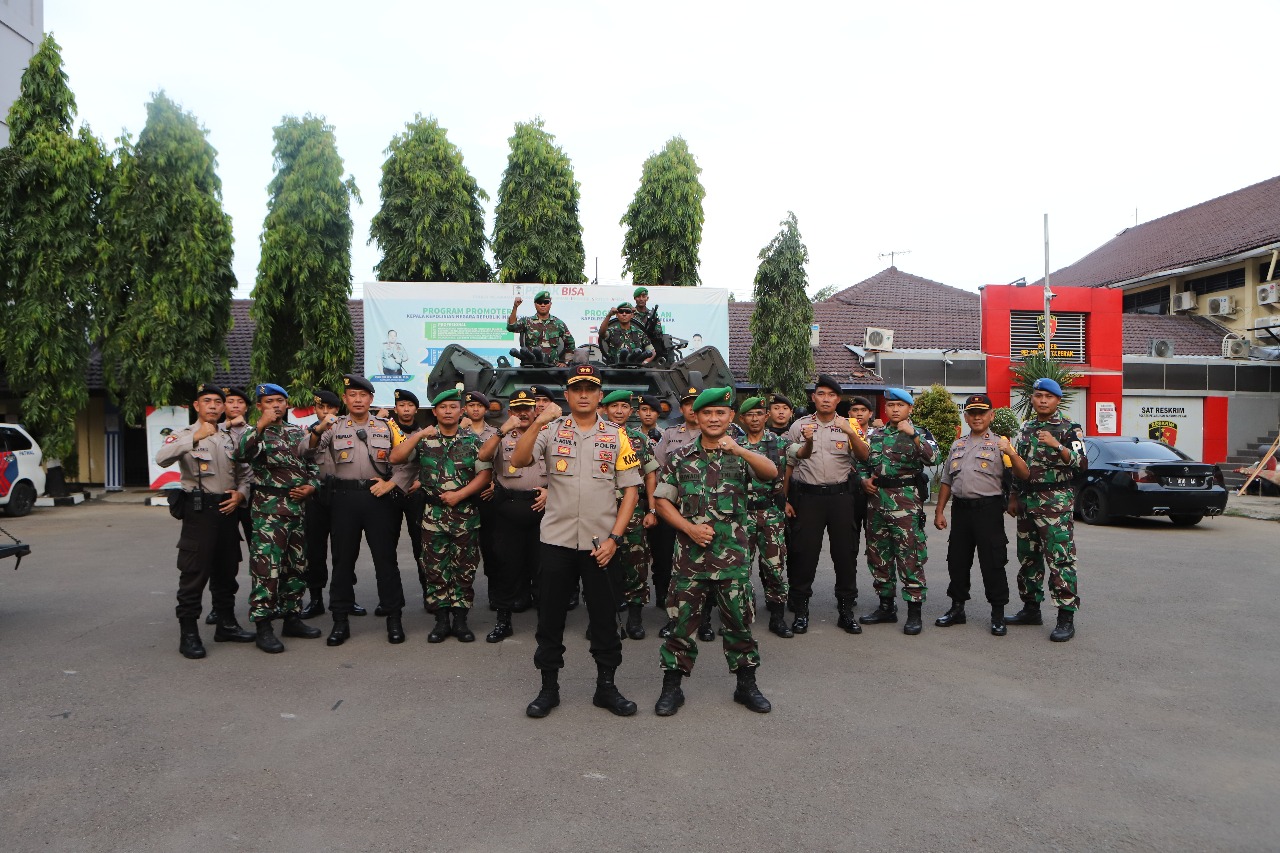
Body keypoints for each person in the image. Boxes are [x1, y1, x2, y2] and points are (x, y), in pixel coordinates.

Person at [509, 363, 641, 719]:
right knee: (550, 618)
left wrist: (615, 537)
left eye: (590, 389)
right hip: (556, 541)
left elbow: (630, 490)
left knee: (604, 618)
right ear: (567, 396)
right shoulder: (551, 431)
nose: (583, 395)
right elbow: (519, 460)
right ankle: (548, 689)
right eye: (577, 389)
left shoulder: (617, 435)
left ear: (599, 396)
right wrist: (537, 420)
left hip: (602, 545)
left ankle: (606, 688)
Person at [653, 387, 776, 717]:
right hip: (690, 561)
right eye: (706, 412)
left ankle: (746, 685)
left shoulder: (742, 453)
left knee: (739, 623)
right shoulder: (680, 458)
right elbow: (662, 501)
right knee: (681, 627)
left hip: (733, 558)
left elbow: (771, 473)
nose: (713, 418)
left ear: (730, 417)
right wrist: (689, 528)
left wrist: (740, 449)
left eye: (720, 413)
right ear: (697, 416)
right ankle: (672, 688)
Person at [304, 374, 415, 646]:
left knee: (385, 560)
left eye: (362, 395)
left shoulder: (387, 427)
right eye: (352, 395)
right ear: (344, 400)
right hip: (344, 499)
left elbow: (409, 461)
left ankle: (394, 618)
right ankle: (340, 620)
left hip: (378, 499)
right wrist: (318, 429)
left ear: (371, 399)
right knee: (342, 561)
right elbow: (305, 451)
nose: (357, 399)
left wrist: (392, 485)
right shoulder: (332, 426)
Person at [155, 384, 254, 658]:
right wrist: (196, 438)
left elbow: (245, 473)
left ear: (223, 408)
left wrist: (241, 494)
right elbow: (161, 459)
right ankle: (189, 633)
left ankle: (226, 624)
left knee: (227, 570)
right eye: (206, 401)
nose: (212, 406)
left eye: (217, 402)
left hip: (227, 509)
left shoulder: (232, 437)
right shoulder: (183, 435)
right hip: (199, 512)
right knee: (194, 573)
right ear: (196, 406)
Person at [390, 389, 493, 644]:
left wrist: (460, 495)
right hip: (432, 516)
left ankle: (460, 620)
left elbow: (484, 474)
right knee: (435, 569)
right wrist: (418, 435)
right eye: (442, 407)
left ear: (462, 412)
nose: (448, 411)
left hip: (465, 514)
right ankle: (441, 620)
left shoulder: (473, 441)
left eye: (452, 407)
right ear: (434, 412)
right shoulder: (425, 440)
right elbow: (396, 457)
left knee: (464, 569)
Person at [232, 383, 322, 653]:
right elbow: (240, 455)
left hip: (297, 509)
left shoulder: (297, 433)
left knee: (296, 566)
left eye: (280, 401)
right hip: (269, 512)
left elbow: (312, 463)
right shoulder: (253, 433)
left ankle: (292, 616)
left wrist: (312, 486)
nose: (276, 405)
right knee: (267, 567)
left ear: (287, 404)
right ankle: (263, 625)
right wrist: (259, 426)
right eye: (269, 401)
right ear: (260, 406)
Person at [934, 394, 1030, 636]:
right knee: (957, 561)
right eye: (972, 413)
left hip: (988, 511)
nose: (977, 417)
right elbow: (947, 480)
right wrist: (939, 511)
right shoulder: (957, 445)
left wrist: (1012, 452)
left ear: (991, 415)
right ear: (966, 416)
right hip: (961, 511)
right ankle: (957, 608)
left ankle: (998, 613)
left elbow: (1024, 474)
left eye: (982, 412)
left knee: (993, 562)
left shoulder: (1001, 444)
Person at [851, 387, 938, 635]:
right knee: (878, 555)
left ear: (910, 408)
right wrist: (863, 479)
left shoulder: (920, 433)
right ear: (885, 409)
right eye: (891, 405)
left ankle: (914, 611)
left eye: (901, 405)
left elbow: (934, 459)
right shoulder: (875, 435)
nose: (895, 409)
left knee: (910, 555)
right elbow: (861, 461)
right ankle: (886, 606)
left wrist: (914, 436)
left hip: (906, 505)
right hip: (876, 503)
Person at [784, 375, 864, 635]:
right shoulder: (799, 426)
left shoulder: (849, 425)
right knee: (803, 554)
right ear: (813, 397)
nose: (826, 398)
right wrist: (785, 498)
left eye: (831, 395)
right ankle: (801, 610)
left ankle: (846, 610)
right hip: (808, 498)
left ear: (838, 399)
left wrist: (851, 432)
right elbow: (790, 464)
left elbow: (865, 456)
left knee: (845, 553)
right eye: (821, 393)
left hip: (841, 498)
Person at [1008, 378, 1085, 642]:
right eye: (1038, 395)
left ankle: (1065, 617)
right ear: (1032, 398)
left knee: (1059, 559)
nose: (1042, 400)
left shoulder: (1070, 428)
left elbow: (1082, 463)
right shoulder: (1026, 427)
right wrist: (1014, 496)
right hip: (1028, 501)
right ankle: (1031, 609)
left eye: (1048, 397)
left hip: (1055, 501)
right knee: (1028, 557)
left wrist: (1057, 445)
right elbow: (1017, 464)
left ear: (1057, 400)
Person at [477, 389, 548, 642]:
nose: (523, 413)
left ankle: (546, 624)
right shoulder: (500, 436)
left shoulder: (547, 434)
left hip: (542, 510)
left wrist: (551, 492)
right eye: (517, 409)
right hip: (508, 510)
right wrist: (501, 431)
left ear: (535, 411)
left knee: (543, 570)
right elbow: (483, 456)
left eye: (528, 408)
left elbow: (564, 471)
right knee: (506, 568)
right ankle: (503, 621)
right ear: (510, 413)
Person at [601, 390, 660, 640]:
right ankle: (604, 619)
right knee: (602, 566)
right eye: (614, 406)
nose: (619, 411)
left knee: (636, 565)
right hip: (600, 512)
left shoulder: (639, 440)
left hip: (633, 512)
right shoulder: (595, 437)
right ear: (604, 409)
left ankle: (634, 618)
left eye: (624, 406)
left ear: (631, 411)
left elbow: (650, 475)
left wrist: (652, 509)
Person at [735, 396, 793, 638]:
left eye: (759, 413)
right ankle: (739, 616)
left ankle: (777, 616)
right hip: (740, 514)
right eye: (750, 414)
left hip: (770, 513)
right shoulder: (733, 445)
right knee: (740, 567)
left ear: (765, 416)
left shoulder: (779, 443)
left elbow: (795, 462)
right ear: (742, 419)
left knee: (774, 566)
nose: (755, 418)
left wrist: (785, 500)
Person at [651, 384, 702, 637]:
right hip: (672, 507)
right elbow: (658, 467)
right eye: (687, 404)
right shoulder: (670, 434)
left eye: (697, 404)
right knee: (669, 561)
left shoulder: (716, 433)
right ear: (681, 409)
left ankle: (702, 619)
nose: (692, 409)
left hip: (704, 510)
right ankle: (672, 613)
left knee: (702, 564)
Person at [204, 385, 253, 627]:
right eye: (230, 401)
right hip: (223, 500)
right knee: (222, 557)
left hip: (251, 499)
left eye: (239, 402)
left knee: (260, 555)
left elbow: (250, 469)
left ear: (246, 407)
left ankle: (261, 602)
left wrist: (242, 493)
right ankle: (219, 606)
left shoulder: (254, 431)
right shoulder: (211, 431)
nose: (234, 405)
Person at [382, 389, 428, 610]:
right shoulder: (385, 430)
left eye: (410, 405)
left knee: (421, 546)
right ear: (395, 408)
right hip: (390, 493)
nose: (406, 409)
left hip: (415, 494)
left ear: (416, 409)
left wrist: (422, 481)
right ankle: (390, 599)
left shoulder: (425, 433)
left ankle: (429, 594)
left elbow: (430, 463)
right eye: (402, 405)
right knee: (387, 548)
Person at [462, 391, 504, 611]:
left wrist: (495, 485)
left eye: (480, 406)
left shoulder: (496, 433)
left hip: (488, 496)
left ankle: (495, 596)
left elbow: (503, 463)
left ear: (486, 409)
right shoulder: (458, 431)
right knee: (463, 549)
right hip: (463, 496)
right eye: (471, 406)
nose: (475, 409)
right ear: (465, 409)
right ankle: (460, 598)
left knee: (491, 548)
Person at [507, 291, 576, 367]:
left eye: (546, 302)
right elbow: (511, 327)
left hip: (552, 368)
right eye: (539, 302)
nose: (543, 305)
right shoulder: (527, 321)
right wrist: (515, 307)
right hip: (531, 367)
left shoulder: (558, 323)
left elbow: (570, 343)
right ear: (535, 304)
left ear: (550, 304)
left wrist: (566, 362)